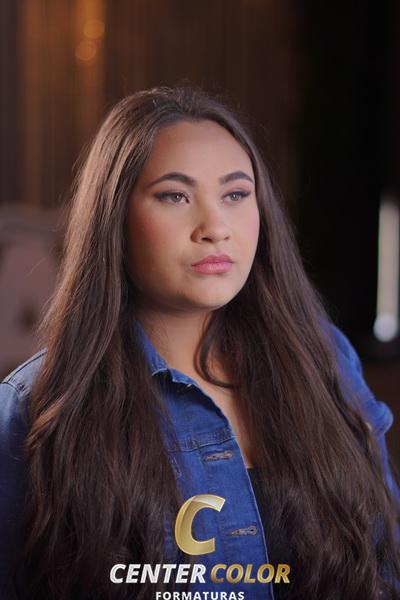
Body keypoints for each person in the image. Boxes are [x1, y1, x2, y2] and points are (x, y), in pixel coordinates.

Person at [0, 85, 399, 600]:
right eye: (175, 196)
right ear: (114, 217)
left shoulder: (325, 357)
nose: (215, 227)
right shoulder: (37, 407)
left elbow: (383, 563)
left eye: (235, 194)